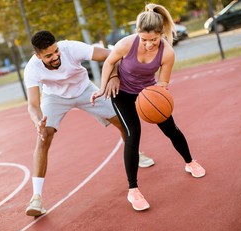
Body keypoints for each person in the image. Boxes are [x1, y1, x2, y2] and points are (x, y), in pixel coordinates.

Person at [24, 30, 154, 217]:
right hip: (54, 98)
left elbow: (112, 55)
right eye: (48, 55)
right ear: (37, 56)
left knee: (122, 122)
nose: (55, 57)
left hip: (85, 90)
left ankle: (136, 154)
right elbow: (33, 104)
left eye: (55, 51)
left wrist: (114, 77)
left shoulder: (71, 48)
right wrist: (38, 122)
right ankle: (36, 197)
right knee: (43, 137)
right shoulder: (32, 68)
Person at [91, 3, 206, 211]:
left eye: (154, 39)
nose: (149, 44)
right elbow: (109, 62)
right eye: (144, 40)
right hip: (122, 94)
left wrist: (157, 97)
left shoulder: (167, 53)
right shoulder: (126, 44)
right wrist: (102, 87)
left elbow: (162, 83)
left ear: (161, 34)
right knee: (133, 134)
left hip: (148, 94)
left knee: (172, 129)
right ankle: (133, 190)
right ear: (138, 34)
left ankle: (190, 162)